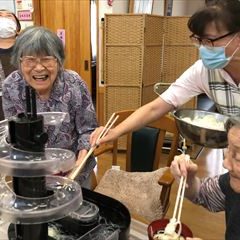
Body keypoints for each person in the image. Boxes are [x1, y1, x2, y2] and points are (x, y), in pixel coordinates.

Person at [90, 0, 240, 145]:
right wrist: (115, 131)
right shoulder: (203, 72)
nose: (203, 48)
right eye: (200, 41)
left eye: (210, 40)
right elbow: (155, 108)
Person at [2, 26, 98, 187]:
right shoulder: (11, 85)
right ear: (19, 62)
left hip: (74, 172)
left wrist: (79, 163)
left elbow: (88, 130)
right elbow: (13, 133)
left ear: (59, 61)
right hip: (31, 174)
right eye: (30, 60)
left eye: (47, 59)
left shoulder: (74, 83)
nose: (39, 68)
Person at [170, 118, 240, 240]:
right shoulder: (232, 182)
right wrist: (188, 180)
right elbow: (202, 194)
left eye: (238, 157)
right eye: (228, 150)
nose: (225, 163)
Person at [0, 9, 21, 120]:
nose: (3, 19)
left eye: (8, 16)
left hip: (25, 106)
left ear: (17, 28)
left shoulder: (27, 49)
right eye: (0, 16)